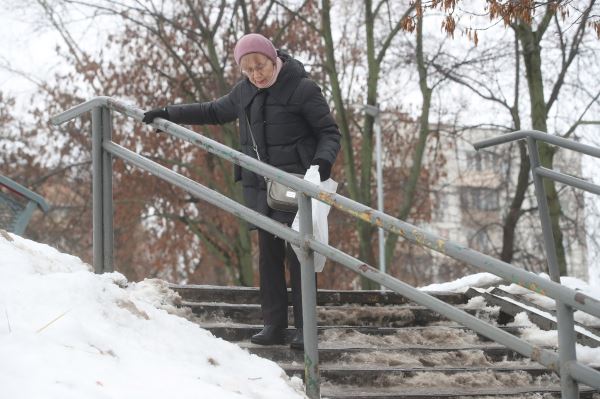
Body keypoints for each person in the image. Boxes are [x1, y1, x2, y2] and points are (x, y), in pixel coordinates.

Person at [142, 33, 341, 350]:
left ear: (273, 57)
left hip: (297, 184)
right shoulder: (244, 92)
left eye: (260, 66)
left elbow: (329, 133)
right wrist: (167, 112)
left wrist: (321, 164)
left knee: (298, 253)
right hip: (260, 187)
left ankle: (305, 329)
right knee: (268, 256)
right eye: (248, 70)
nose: (257, 74)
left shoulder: (303, 89)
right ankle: (274, 325)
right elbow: (211, 111)